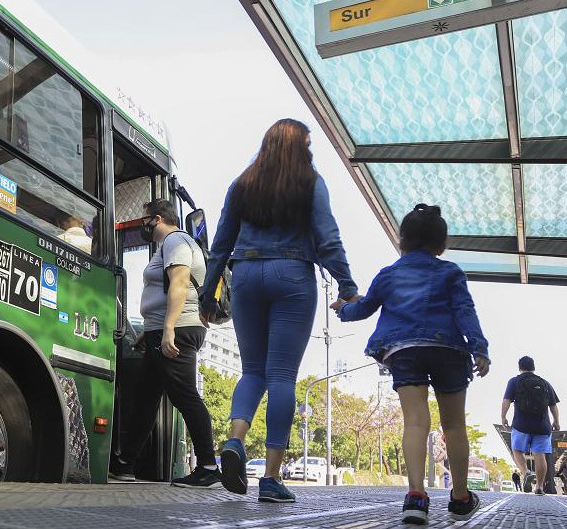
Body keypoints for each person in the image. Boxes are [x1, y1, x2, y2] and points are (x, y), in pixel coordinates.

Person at [199, 119, 358, 503]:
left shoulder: (243, 183)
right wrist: (347, 286)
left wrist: (207, 294)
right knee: (282, 375)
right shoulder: (310, 182)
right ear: (300, 146)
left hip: (247, 275)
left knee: (252, 371)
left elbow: (220, 244)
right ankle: (271, 477)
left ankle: (235, 441)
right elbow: (328, 236)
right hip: (292, 275)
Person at [333, 204, 490, 524]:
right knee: (454, 426)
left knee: (416, 422)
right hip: (448, 348)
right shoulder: (451, 272)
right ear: (441, 245)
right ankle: (460, 497)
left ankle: (416, 496)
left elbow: (363, 309)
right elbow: (465, 312)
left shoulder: (388, 275)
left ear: (401, 240)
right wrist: (479, 349)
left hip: (404, 350)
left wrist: (342, 309)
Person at [109, 199, 222, 488]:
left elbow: (180, 283)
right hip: (163, 330)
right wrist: (153, 329)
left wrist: (169, 328)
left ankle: (208, 466)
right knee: (146, 399)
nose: (142, 224)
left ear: (157, 219)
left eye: (144, 219)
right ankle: (125, 464)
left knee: (185, 396)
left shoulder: (176, 241)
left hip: (179, 330)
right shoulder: (169, 245)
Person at [501, 355, 561, 495]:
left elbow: (507, 400)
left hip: (521, 424)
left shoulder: (515, 381)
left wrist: (503, 417)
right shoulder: (545, 383)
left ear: (520, 367)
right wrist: (556, 422)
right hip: (542, 425)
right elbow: (553, 406)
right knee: (539, 454)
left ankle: (526, 472)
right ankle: (539, 487)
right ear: (533, 367)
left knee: (517, 449)